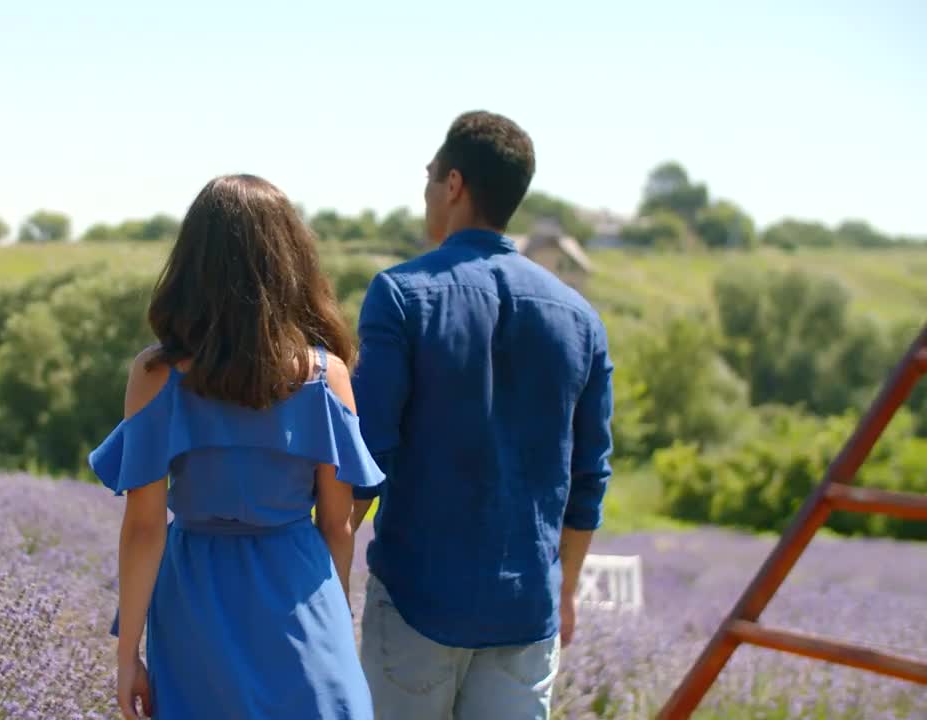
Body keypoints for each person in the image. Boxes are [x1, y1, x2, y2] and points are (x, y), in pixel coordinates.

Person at [349, 110, 615, 719]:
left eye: (429, 177)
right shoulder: (581, 319)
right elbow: (589, 478)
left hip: (418, 602)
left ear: (453, 185)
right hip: (526, 614)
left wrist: (326, 575)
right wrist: (565, 590)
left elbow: (364, 458)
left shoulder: (399, 294)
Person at [89, 174, 384, 720]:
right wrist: (334, 619)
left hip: (196, 596)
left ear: (192, 262)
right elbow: (337, 525)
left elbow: (144, 526)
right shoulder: (328, 375)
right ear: (291, 262)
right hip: (298, 584)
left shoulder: (156, 374)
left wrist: (127, 654)